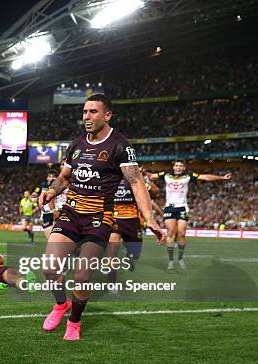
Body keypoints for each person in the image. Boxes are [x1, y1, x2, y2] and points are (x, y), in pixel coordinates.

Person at [39, 94, 165, 341]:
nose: (87, 117)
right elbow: (64, 178)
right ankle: (60, 304)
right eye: (85, 112)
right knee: (49, 268)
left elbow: (136, 182)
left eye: (93, 112)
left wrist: (149, 218)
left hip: (99, 218)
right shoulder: (76, 145)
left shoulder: (119, 145)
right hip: (71, 214)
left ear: (107, 115)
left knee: (83, 277)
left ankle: (74, 321)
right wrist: (51, 191)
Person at [148, 160, 232, 270]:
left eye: (180, 166)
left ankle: (181, 258)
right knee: (171, 233)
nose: (178, 167)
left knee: (182, 233)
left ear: (184, 168)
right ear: (173, 167)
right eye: (176, 165)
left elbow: (205, 177)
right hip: (169, 208)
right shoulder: (166, 174)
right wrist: (142, 173)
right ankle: (171, 261)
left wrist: (222, 178)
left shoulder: (189, 175)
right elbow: (152, 176)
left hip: (182, 207)